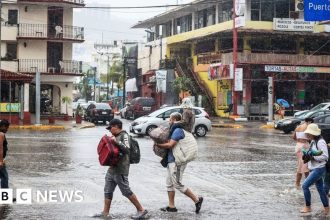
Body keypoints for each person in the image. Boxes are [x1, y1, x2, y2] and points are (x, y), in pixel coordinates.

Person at [95, 119, 148, 219]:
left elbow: (127, 149)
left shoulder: (124, 136)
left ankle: (141, 210)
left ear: (116, 126)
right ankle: (105, 213)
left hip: (121, 170)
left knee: (126, 191)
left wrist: (116, 142)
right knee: (107, 190)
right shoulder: (116, 136)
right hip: (112, 169)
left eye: (110, 128)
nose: (110, 130)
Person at [156, 112, 203, 213]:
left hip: (177, 161)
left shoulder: (177, 130)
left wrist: (159, 145)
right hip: (170, 161)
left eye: (170, 119)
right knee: (169, 184)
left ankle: (197, 199)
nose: (169, 121)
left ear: (174, 119)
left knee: (177, 183)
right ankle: (171, 206)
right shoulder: (174, 129)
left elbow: (170, 145)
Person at [300, 123, 329, 214]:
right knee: (321, 190)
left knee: (305, 186)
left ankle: (308, 207)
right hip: (314, 168)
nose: (307, 135)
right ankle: (327, 209)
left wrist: (313, 157)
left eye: (309, 133)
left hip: (319, 168)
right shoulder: (313, 141)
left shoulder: (320, 142)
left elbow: (325, 156)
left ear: (314, 133)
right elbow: (311, 153)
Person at [292, 118, 313, 188]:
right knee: (304, 166)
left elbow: (293, 137)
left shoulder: (298, 127)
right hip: (304, 146)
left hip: (298, 145)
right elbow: (310, 137)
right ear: (309, 122)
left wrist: (299, 139)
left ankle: (303, 183)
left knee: (302, 165)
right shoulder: (307, 127)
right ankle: (300, 183)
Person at [0, 120, 10, 188]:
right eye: (7, 127)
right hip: (0, 160)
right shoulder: (1, 134)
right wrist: (1, 161)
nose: (7, 129)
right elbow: (0, 148)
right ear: (3, 126)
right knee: (4, 177)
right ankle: (5, 197)